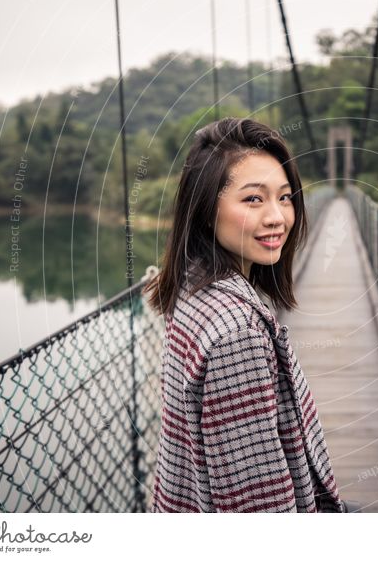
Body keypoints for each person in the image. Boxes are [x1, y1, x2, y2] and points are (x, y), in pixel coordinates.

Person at [145, 117, 344, 513]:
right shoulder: (238, 333)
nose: (277, 217)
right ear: (205, 209)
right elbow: (256, 503)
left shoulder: (190, 288)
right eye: (253, 199)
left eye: (285, 197)